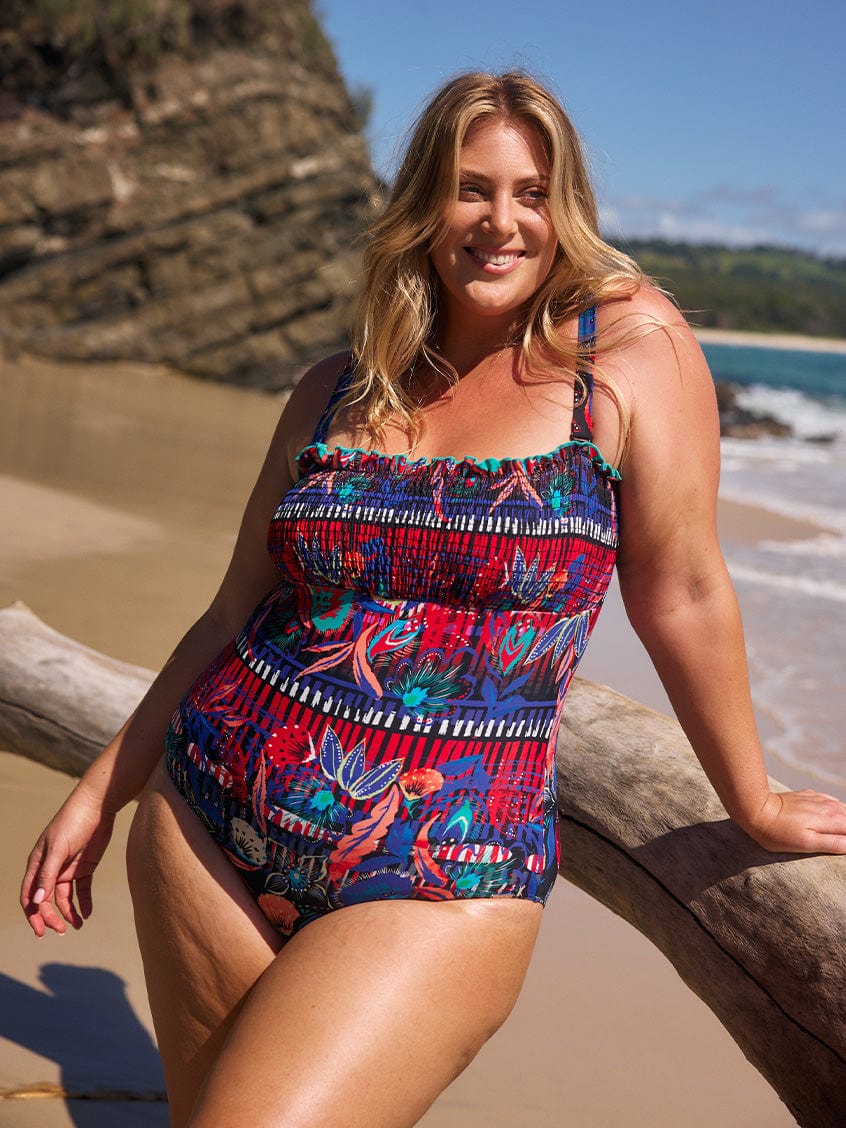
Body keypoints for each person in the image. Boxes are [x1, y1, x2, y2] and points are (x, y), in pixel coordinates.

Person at [20, 70, 846, 1127]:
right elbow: (232, 613)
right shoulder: (335, 389)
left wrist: (755, 800)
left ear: (566, 211)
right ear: (422, 205)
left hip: (443, 873)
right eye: (470, 188)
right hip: (205, 816)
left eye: (531, 193)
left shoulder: (625, 359)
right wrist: (105, 787)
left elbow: (680, 588)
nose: (501, 221)